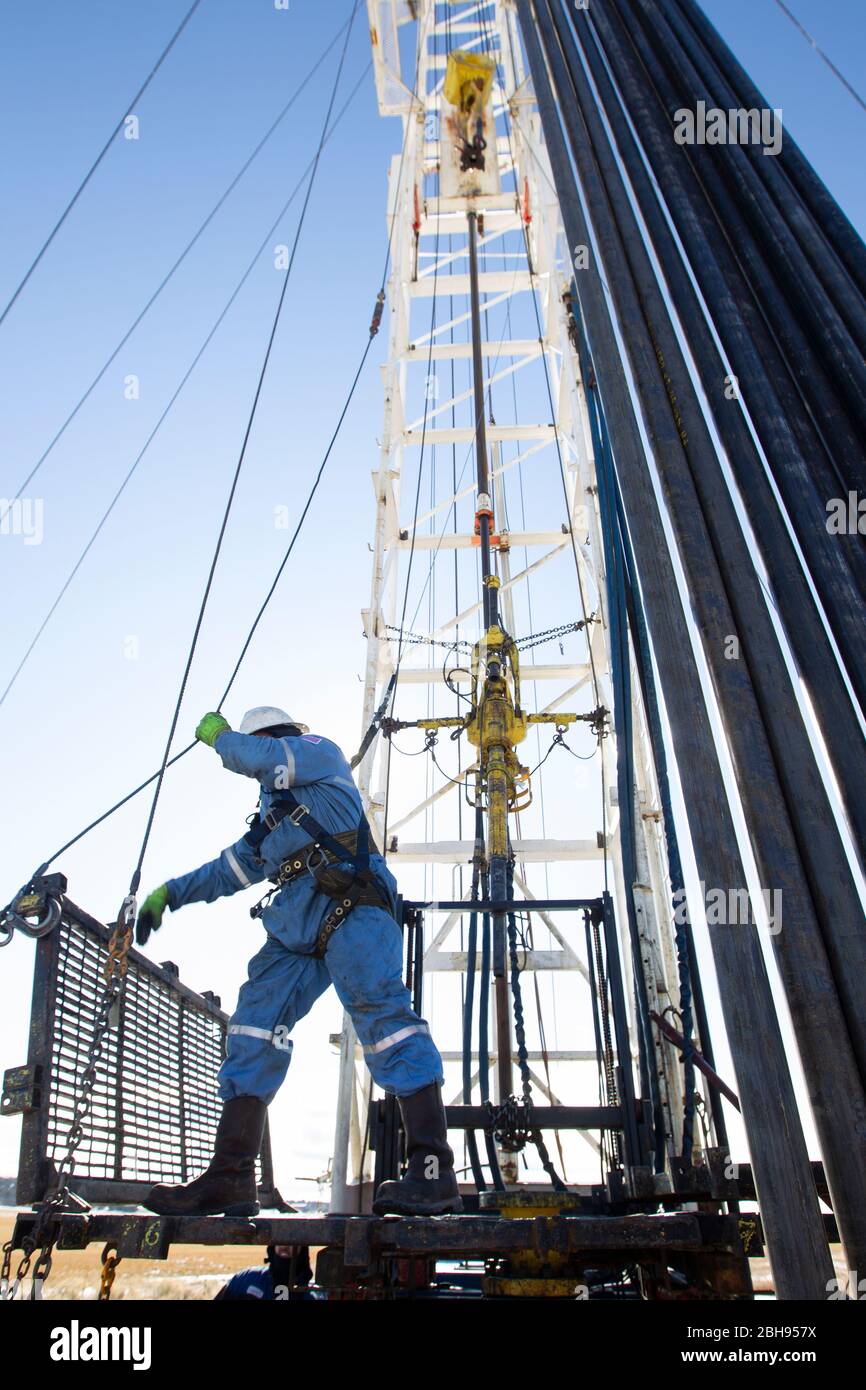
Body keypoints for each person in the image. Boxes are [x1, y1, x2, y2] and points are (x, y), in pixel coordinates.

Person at [135, 706, 461, 1219]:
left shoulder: (318, 755)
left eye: (257, 744)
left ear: (273, 737)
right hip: (296, 925)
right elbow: (227, 872)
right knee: (252, 1031)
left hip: (354, 907)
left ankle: (431, 1169)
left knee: (385, 1025)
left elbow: (254, 756)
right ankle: (232, 1176)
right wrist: (169, 894)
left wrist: (222, 738)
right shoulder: (270, 826)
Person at [215, 1244, 320, 1301]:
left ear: (303, 1250)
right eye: (280, 1240)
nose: (285, 1246)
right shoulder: (246, 1280)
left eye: (291, 1242)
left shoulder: (311, 1295)